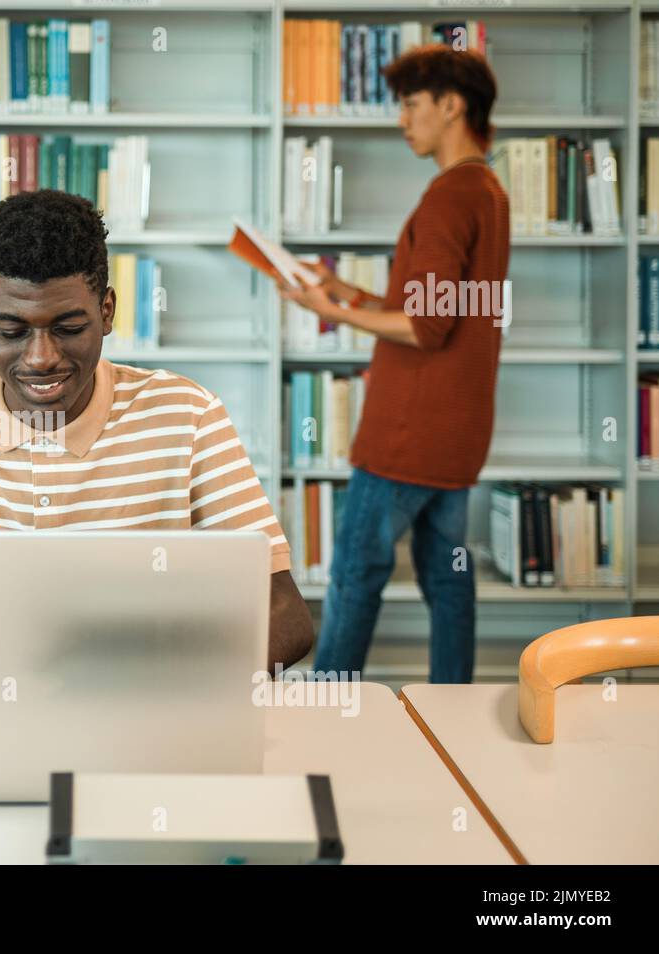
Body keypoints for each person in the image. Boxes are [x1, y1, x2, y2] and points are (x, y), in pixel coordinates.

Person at [0, 189, 313, 669]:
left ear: (107, 311)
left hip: (132, 719)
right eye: (12, 331)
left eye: (69, 329)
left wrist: (145, 679)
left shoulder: (187, 415)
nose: (41, 359)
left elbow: (286, 618)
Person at [278, 44, 510, 683]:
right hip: (457, 436)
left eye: (411, 105)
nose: (403, 120)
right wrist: (343, 293)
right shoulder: (487, 191)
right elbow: (442, 309)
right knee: (448, 580)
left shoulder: (446, 197)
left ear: (451, 104)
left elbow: (423, 328)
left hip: (405, 435)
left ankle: (328, 710)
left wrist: (333, 312)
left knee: (356, 574)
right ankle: (452, 711)